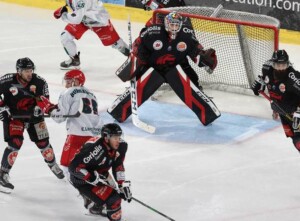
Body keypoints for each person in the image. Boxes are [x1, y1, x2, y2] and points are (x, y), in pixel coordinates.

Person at [109, 11, 220, 126]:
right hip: (153, 67)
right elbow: (138, 45)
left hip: (177, 67)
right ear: (166, 24)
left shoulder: (186, 35)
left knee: (192, 81)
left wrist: (205, 59)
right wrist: (135, 61)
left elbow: (196, 51)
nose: (174, 28)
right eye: (172, 25)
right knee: (140, 83)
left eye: (177, 25)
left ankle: (207, 114)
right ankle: (119, 111)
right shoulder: (153, 32)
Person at [0, 57, 64, 193]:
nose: (29, 73)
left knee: (43, 143)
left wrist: (46, 109)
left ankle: (53, 165)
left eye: (30, 70)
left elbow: (43, 100)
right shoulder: (6, 80)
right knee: (15, 143)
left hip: (34, 117)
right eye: (25, 71)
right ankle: (3, 174)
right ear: (18, 71)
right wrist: (1, 108)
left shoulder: (40, 82)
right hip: (14, 117)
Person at [36, 70, 103, 176]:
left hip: (77, 136)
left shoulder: (68, 92)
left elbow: (59, 118)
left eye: (68, 81)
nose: (66, 85)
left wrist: (48, 108)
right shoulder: (92, 94)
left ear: (76, 81)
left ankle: (80, 191)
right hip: (95, 137)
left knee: (67, 167)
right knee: (90, 167)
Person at [68, 123, 132, 221]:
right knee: (114, 199)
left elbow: (118, 165)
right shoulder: (95, 149)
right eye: (115, 137)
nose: (118, 140)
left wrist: (122, 185)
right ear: (106, 138)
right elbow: (73, 167)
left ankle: (95, 206)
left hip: (101, 173)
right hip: (81, 178)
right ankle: (89, 197)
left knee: (116, 190)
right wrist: (91, 177)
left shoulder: (121, 145)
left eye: (119, 137)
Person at [53, 0, 130, 69]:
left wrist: (63, 14)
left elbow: (76, 19)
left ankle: (135, 57)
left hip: (98, 22)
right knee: (65, 36)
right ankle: (74, 61)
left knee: (117, 44)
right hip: (83, 21)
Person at [252, 49, 300, 151]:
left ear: (288, 64)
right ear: (273, 65)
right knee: (295, 139)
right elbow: (264, 79)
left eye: (283, 65)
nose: (281, 68)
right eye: (278, 65)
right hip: (283, 112)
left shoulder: (293, 77)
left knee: (298, 138)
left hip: (295, 112)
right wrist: (259, 83)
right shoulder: (267, 69)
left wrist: (298, 112)